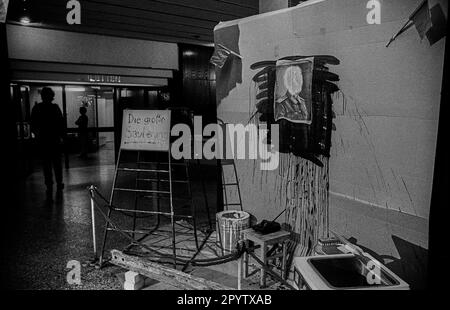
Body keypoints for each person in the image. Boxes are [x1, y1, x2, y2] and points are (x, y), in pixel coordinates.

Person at [31, 87, 65, 199]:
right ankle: (59, 182)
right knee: (57, 164)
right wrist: (61, 137)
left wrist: (37, 136)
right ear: (52, 96)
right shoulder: (55, 108)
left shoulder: (37, 108)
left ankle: (49, 184)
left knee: (46, 164)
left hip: (44, 141)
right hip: (54, 140)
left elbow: (34, 125)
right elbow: (61, 124)